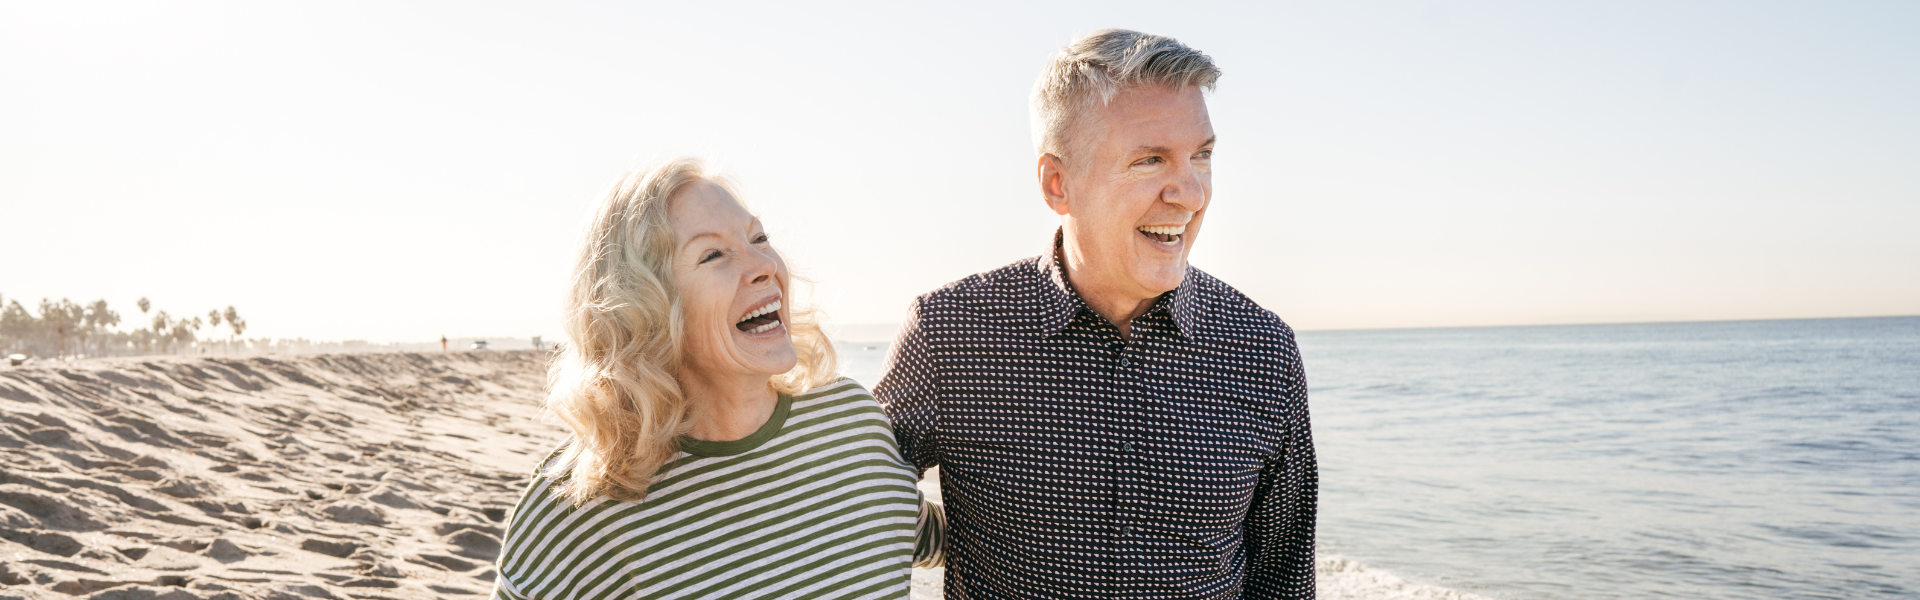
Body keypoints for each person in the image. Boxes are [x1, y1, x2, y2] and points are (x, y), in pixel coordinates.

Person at [875, 29, 1317, 599]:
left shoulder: (1263, 349)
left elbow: (1282, 579)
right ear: (1058, 184)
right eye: (1149, 160)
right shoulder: (951, 334)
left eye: (1201, 156)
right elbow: (854, 507)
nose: (1190, 192)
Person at [493, 159, 935, 599]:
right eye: (714, 254)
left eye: (759, 238)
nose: (764, 264)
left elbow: (949, 542)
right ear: (641, 308)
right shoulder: (577, 502)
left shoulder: (852, 423)